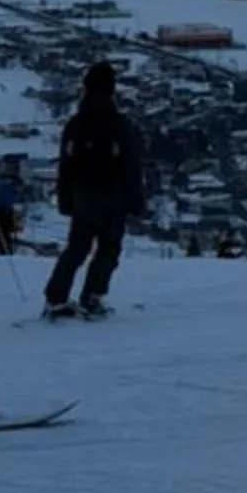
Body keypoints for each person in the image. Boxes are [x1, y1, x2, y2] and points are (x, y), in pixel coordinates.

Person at [43, 63, 147, 318]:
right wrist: (137, 203)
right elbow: (132, 166)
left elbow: (65, 165)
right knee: (108, 250)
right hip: (114, 198)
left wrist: (65, 199)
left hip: (82, 197)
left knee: (76, 249)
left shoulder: (75, 125)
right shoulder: (120, 125)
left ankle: (56, 298)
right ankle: (92, 296)